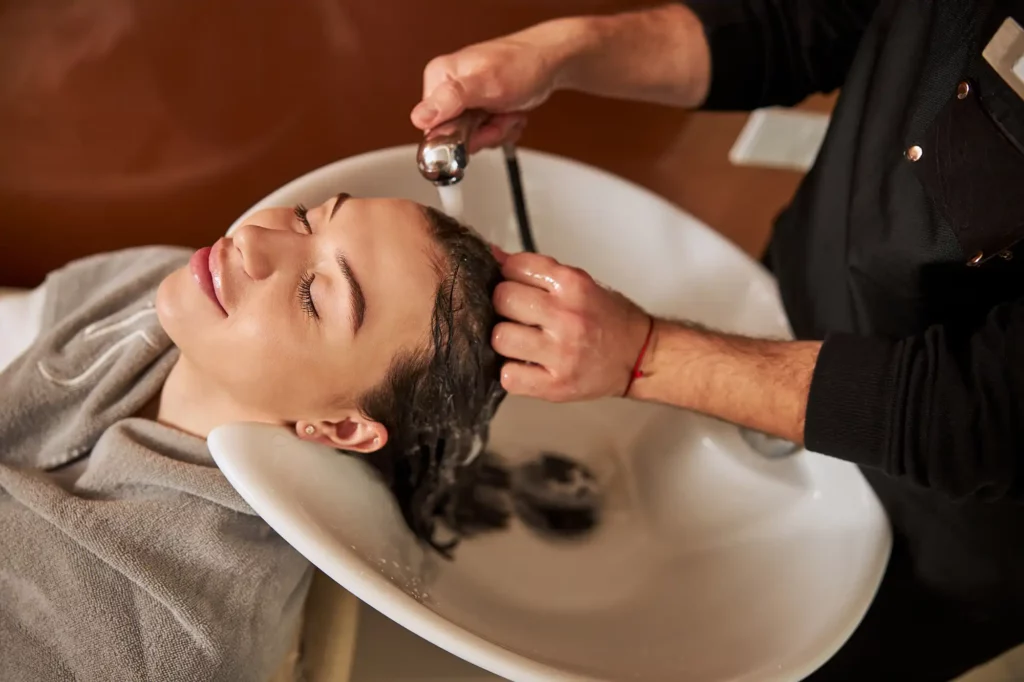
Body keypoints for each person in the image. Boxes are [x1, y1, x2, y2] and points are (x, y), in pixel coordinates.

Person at [411, 1, 1024, 679]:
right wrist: (562, 51)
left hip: (947, 517)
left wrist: (647, 357)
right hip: (800, 297)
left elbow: (990, 415)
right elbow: (806, 23)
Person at [0, 193, 505, 681]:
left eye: (313, 296)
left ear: (343, 427)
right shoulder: (169, 282)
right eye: (307, 219)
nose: (254, 240)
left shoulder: (175, 633)